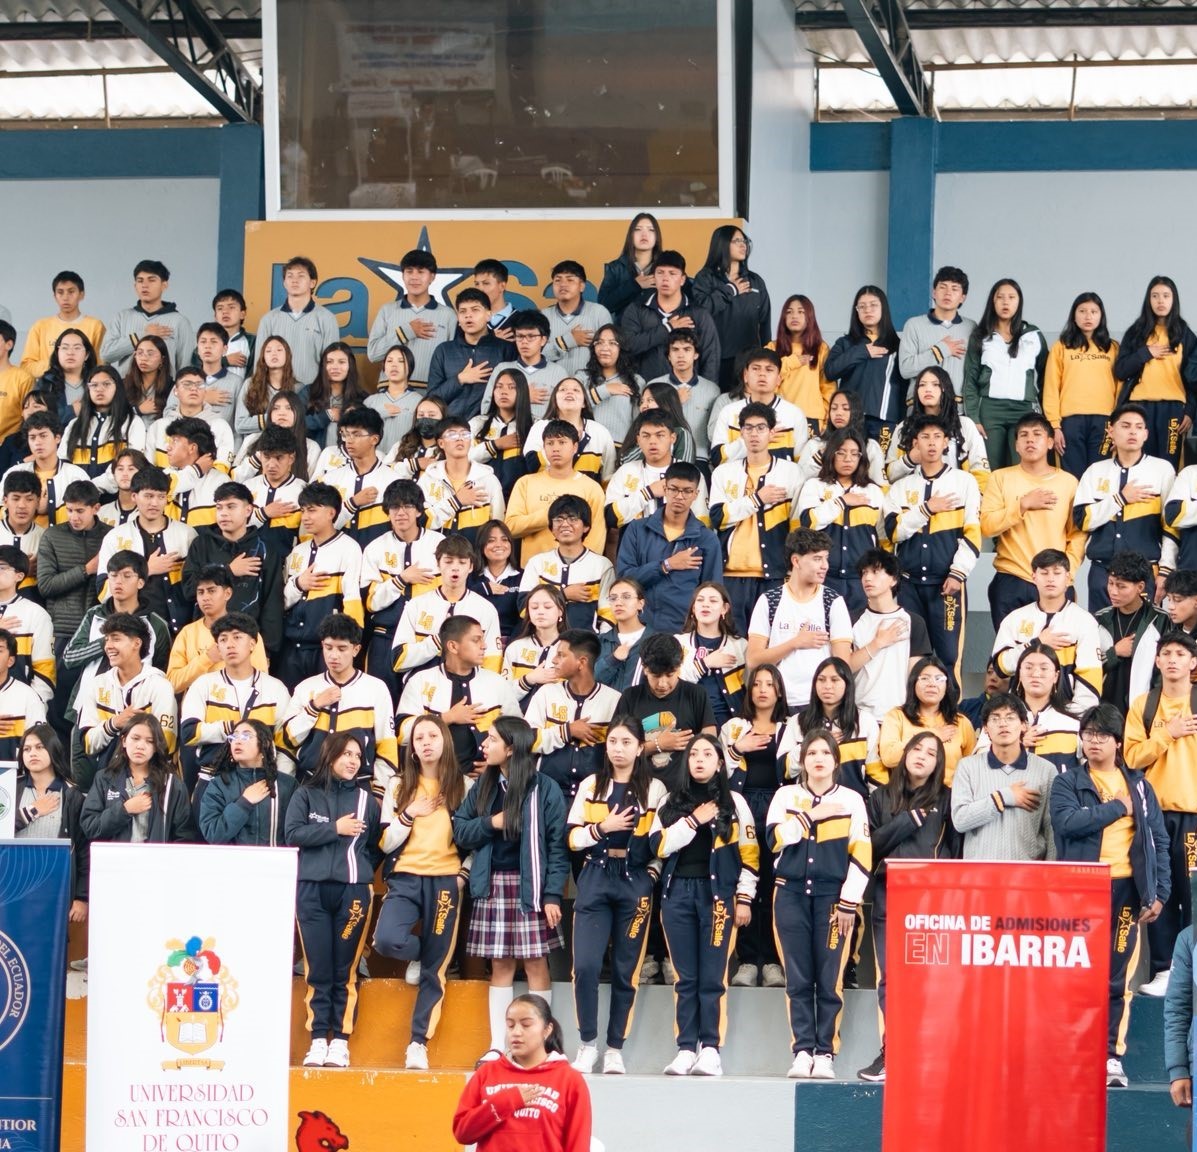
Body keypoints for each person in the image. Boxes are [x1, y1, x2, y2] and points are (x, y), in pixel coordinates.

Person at [1052, 701, 1168, 1087]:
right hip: (1080, 889)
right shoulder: (1068, 782)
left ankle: (1110, 1057)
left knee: (1116, 978)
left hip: (1125, 892)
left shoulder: (1140, 785)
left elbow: (1158, 841)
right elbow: (1068, 824)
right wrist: (1118, 807)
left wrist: (1160, 892)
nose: (1094, 742)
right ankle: (1073, 1053)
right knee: (1075, 976)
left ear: (1118, 742)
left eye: (1102, 735)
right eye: (1088, 735)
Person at [452, 716, 568, 1060]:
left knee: (535, 963)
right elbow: (461, 830)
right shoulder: (484, 786)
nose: (484, 745)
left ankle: (545, 1046)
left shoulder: (543, 787)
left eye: (492, 739)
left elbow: (557, 846)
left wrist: (552, 894)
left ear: (512, 748)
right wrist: (492, 822)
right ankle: (498, 1046)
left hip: (531, 887)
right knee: (500, 965)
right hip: (493, 884)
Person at [567, 714, 668, 1075]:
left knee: (627, 970)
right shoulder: (591, 785)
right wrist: (601, 828)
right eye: (612, 741)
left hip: (634, 880)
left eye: (626, 742)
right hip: (596, 875)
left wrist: (651, 876)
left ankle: (614, 1048)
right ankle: (587, 1044)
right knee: (586, 966)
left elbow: (662, 843)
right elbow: (572, 838)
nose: (618, 749)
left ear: (640, 748)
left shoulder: (654, 789)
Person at [652, 733, 758, 1077]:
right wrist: (693, 820)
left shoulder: (735, 802)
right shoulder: (669, 800)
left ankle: (710, 1048)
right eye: (694, 754)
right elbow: (658, 845)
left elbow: (750, 855)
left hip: (718, 898)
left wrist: (744, 898)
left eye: (707, 754)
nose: (699, 759)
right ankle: (686, 1048)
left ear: (720, 763)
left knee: (712, 976)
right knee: (685, 977)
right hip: (677, 895)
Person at [768, 731, 870, 1080]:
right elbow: (774, 840)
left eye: (826, 752)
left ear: (836, 761)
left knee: (829, 978)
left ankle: (825, 1052)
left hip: (832, 899)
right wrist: (811, 815)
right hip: (790, 894)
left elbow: (862, 853)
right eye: (811, 753)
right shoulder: (785, 796)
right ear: (803, 760)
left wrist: (848, 902)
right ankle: (802, 1050)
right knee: (797, 978)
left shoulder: (852, 800)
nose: (819, 758)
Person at [859, 730, 959, 1083]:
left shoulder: (947, 799)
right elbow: (869, 849)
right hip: (889, 896)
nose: (922, 756)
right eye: (917, 748)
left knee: (930, 980)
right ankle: (893, 1053)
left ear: (938, 764)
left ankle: (930, 1054)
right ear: (905, 754)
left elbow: (956, 852)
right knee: (892, 979)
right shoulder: (880, 797)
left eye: (931, 753)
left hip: (932, 902)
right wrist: (905, 822)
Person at [373, 714, 470, 1071]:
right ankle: (424, 954)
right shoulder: (399, 785)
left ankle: (418, 1043)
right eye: (419, 738)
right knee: (387, 940)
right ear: (411, 749)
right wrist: (409, 814)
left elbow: (476, 839)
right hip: (406, 877)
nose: (426, 743)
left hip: (446, 881)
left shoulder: (463, 786)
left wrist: (463, 875)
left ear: (445, 741)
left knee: (434, 972)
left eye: (433, 736)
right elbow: (384, 842)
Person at [285, 731, 382, 1069]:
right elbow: (292, 835)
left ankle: (340, 1040)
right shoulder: (305, 794)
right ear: (330, 756)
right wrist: (334, 829)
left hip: (353, 892)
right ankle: (317, 1040)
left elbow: (373, 848)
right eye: (346, 754)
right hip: (310, 890)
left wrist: (359, 871)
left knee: (345, 968)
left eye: (357, 755)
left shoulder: (366, 800)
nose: (353, 761)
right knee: (318, 968)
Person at [881, 414, 981, 692]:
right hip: (909, 585)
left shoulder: (964, 482)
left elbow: (972, 533)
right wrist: (926, 509)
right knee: (911, 656)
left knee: (949, 656)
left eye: (938, 437)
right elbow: (893, 532)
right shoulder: (901, 487)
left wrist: (957, 574)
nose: (932, 443)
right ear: (915, 443)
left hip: (945, 584)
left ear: (947, 442)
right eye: (925, 437)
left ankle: (951, 713)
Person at [1124, 632, 1197, 998]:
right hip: (1154, 816)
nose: (1172, 659)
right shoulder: (1145, 704)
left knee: (1192, 893)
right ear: (1156, 661)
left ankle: (1192, 968)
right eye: (1166, 653)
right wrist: (1167, 733)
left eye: (1180, 654)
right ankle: (1165, 970)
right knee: (1159, 893)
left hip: (1193, 815)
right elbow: (1131, 757)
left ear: (1193, 662)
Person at [721, 663, 795, 989]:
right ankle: (748, 960)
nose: (763, 689)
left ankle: (774, 961)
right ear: (749, 691)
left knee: (773, 884)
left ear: (779, 691)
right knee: (744, 882)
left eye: (769, 684)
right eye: (757, 684)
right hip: (743, 806)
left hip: (780, 809)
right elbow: (717, 769)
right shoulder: (734, 727)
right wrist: (738, 748)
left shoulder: (792, 727)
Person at [980, 412, 1086, 626]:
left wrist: (1067, 571)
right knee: (1010, 646)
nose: (1030, 440)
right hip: (1011, 578)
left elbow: (1077, 533)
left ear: (1050, 442)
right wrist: (1022, 505)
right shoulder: (1000, 478)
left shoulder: (1068, 482)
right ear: (1016, 445)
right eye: (1024, 435)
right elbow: (987, 526)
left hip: (1055, 581)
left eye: (1037, 434)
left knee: (1056, 646)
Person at [452, 993, 592, 1152]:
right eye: (510, 1025)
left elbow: (578, 1144)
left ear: (547, 1030)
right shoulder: (486, 1073)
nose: (516, 1032)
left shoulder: (570, 1080)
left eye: (526, 1025)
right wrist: (507, 1101)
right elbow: (462, 1133)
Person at [710, 401, 805, 631]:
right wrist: (757, 499)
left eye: (761, 428)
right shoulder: (724, 472)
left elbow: (797, 527)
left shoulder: (791, 472)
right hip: (730, 574)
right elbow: (717, 517)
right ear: (741, 432)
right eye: (748, 428)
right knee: (732, 640)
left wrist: (793, 569)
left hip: (774, 574)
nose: (754, 434)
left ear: (772, 433)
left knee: (772, 638)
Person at [1074, 402, 1176, 613]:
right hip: (1102, 570)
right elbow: (1082, 520)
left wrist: (1166, 570)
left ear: (1146, 434)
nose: (1133, 432)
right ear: (1111, 431)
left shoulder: (1162, 469)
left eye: (1139, 427)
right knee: (1101, 629)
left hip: (1145, 571)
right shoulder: (1095, 471)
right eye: (1126, 426)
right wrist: (1120, 498)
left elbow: (1171, 526)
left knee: (1143, 632)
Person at [280, 613, 398, 790]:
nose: (334, 655)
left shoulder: (376, 688)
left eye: (342, 649)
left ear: (356, 650)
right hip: (311, 783)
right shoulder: (305, 687)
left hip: (358, 785)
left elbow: (387, 746)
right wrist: (314, 707)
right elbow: (287, 741)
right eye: (328, 648)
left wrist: (380, 791)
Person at [180, 612, 292, 793]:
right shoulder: (203, 684)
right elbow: (189, 732)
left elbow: (285, 742)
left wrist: (279, 783)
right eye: (223, 639)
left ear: (253, 644)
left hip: (261, 782)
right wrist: (231, 728)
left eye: (237, 637)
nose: (230, 644)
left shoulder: (275, 688)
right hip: (212, 779)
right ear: (218, 647)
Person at [745, 527, 853, 713]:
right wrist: (795, 643)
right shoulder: (769, 601)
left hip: (819, 704)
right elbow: (753, 660)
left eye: (826, 558)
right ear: (796, 561)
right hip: (778, 701)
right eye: (817, 559)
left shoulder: (833, 601)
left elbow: (842, 665)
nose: (825, 566)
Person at [396, 615, 521, 774]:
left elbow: (519, 733)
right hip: (434, 780)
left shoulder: (497, 682)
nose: (484, 646)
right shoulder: (420, 681)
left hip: (486, 783)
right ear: (453, 646)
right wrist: (446, 717)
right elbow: (402, 734)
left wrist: (497, 765)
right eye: (476, 640)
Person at [990, 548, 1101, 714]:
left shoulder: (1084, 621)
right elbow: (1000, 668)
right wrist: (1036, 643)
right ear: (1034, 577)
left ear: (1068, 578)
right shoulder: (1015, 618)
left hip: (1067, 715)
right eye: (1044, 573)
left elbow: (1090, 678)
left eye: (1057, 573)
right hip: (1021, 715)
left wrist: (1076, 717)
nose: (1050, 579)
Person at [616, 462, 722, 635]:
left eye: (687, 491)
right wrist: (666, 565)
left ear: (696, 494)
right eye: (674, 489)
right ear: (664, 489)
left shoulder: (706, 539)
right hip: (638, 628)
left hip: (683, 631)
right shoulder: (637, 529)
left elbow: (713, 592)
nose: (679, 496)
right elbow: (623, 580)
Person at [359, 479, 444, 695]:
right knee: (381, 698)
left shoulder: (439, 544)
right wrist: (401, 579)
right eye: (395, 507)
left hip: (426, 637)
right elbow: (371, 602)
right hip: (385, 636)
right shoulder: (374, 548)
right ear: (387, 512)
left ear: (419, 510)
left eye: (407, 506)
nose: (401, 513)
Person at [73, 612, 177, 788]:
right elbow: (87, 743)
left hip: (151, 780)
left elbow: (166, 742)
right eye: (107, 639)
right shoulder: (97, 684)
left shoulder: (160, 685)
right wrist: (114, 723)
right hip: (106, 780)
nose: (108, 646)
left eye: (116, 639)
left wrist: (132, 732)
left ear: (137, 643)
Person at [278, 482, 364, 690]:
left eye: (312, 510)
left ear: (331, 513)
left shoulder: (349, 548)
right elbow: (281, 602)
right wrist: (299, 584)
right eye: (303, 511)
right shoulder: (297, 551)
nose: (305, 517)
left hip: (325, 648)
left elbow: (352, 598)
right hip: (291, 647)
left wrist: (349, 641)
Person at [950, 693, 1056, 861]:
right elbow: (960, 821)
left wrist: (1051, 871)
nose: (1003, 724)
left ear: (1024, 725)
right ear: (985, 728)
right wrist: (1003, 797)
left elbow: (1051, 829)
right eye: (995, 718)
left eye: (1010, 717)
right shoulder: (967, 767)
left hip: (1029, 870)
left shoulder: (1046, 770)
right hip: (980, 871)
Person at [36, 478, 105, 733]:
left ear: (96, 508)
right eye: (69, 510)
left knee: (95, 704)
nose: (74, 517)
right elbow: (46, 586)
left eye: (80, 511)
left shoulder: (110, 535)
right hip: (63, 631)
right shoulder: (52, 536)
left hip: (98, 632)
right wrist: (87, 569)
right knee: (60, 704)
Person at [524, 629, 621, 808]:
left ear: (581, 662)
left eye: (561, 655)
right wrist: (566, 731)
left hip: (594, 797)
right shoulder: (546, 693)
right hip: (548, 794)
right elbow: (525, 740)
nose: (554, 660)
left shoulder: (614, 700)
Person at [95, 465, 195, 636]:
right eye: (148, 496)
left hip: (180, 630)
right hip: (131, 631)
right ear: (134, 496)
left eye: (161, 496)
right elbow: (103, 592)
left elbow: (196, 586)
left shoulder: (187, 534)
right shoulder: (115, 537)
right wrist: (147, 569)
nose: (154, 503)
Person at [961, 278, 1049, 472]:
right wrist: (974, 418)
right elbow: (971, 380)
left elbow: (1047, 377)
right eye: (1000, 297)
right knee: (990, 467)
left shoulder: (1033, 335)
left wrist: (1045, 414)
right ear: (993, 301)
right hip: (990, 411)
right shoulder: (981, 335)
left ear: (1019, 302)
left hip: (1024, 410)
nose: (1005, 302)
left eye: (1011, 297)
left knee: (1022, 467)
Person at [183, 481, 282, 650]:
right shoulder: (201, 544)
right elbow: (188, 590)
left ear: (248, 510)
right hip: (205, 641)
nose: (223, 513)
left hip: (249, 641)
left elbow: (272, 602)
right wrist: (228, 571)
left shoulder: (265, 549)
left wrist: (267, 649)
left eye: (231, 507)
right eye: (219, 507)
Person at [797, 427, 883, 618]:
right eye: (841, 453)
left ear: (861, 458)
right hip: (823, 577)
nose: (848, 459)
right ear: (831, 454)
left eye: (854, 454)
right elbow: (809, 523)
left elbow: (883, 538)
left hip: (860, 580)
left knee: (858, 631)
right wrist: (842, 501)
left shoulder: (873, 491)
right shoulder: (815, 486)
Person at [616, 633, 717, 794]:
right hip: (638, 791)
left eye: (670, 675)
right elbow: (616, 750)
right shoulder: (630, 697)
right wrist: (658, 745)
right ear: (645, 668)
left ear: (680, 667)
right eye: (655, 676)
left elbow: (710, 745)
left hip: (685, 792)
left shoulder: (696, 694)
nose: (662, 684)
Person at [392, 533, 503, 679]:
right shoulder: (417, 605)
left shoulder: (485, 609)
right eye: (448, 562)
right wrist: (437, 641)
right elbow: (398, 660)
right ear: (438, 565)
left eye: (462, 562)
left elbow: (492, 664)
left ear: (471, 567)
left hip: (469, 689)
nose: (455, 568)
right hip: (424, 687)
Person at [1114, 276, 1197, 469]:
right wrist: (1145, 353)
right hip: (1139, 407)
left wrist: (1190, 411)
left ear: (1174, 300)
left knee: (1169, 465)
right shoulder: (1136, 332)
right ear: (1148, 299)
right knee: (1140, 463)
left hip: (1173, 409)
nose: (1160, 301)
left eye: (1166, 296)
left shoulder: (1185, 334)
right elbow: (1121, 370)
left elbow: (1193, 378)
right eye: (1155, 296)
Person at [14, 723, 89, 924]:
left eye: (40, 747)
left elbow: (83, 851)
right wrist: (32, 811)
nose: (32, 753)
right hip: (14, 883)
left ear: (53, 748)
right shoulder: (10, 788)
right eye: (27, 749)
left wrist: (82, 897)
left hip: (54, 888)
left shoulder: (72, 795)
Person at [80, 712, 192, 846]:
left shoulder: (172, 785)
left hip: (154, 859)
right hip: (114, 859)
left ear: (156, 747)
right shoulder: (104, 778)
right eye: (135, 738)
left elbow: (185, 837)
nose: (140, 746)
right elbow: (90, 827)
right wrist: (124, 810)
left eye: (149, 741)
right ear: (124, 741)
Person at [847, 548, 931, 725]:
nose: (868, 578)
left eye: (875, 572)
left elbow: (916, 675)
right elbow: (844, 667)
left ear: (893, 579)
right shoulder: (852, 620)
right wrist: (878, 643)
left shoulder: (914, 622)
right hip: (859, 716)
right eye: (864, 573)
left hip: (900, 717)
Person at [504, 421, 605, 565]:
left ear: (575, 447)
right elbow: (511, 527)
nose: (556, 449)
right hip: (534, 571)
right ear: (543, 448)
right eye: (550, 443)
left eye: (562, 442)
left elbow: (596, 538)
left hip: (577, 571)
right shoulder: (525, 483)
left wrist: (581, 567)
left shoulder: (591, 488)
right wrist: (551, 514)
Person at [1044, 292, 1119, 479]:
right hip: (1070, 421)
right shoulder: (1061, 346)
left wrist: (1117, 424)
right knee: (1072, 476)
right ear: (1074, 315)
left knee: (1100, 475)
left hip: (1105, 421)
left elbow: (1121, 388)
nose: (1088, 316)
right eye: (1082, 311)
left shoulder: (1113, 347)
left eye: (1094, 311)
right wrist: (1055, 426)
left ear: (1101, 316)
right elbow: (1051, 386)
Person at [787, 656, 882, 805]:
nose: (827, 686)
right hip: (807, 807)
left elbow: (878, 775)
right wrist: (813, 743)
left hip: (852, 807)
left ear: (847, 684)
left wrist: (871, 811)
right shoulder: (797, 722)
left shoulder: (865, 722)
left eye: (835, 680)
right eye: (821, 680)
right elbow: (784, 770)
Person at [824, 285, 905, 453]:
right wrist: (863, 351)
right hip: (850, 418)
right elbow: (831, 371)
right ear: (856, 311)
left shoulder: (898, 345)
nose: (868, 310)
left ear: (883, 308)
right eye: (862, 306)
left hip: (884, 419)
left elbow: (904, 385)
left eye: (873, 305)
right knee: (849, 461)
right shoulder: (845, 343)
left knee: (881, 463)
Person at [692, 225, 772, 392]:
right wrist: (731, 290)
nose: (743, 245)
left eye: (744, 241)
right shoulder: (705, 278)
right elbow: (701, 311)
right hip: (715, 360)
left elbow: (764, 322)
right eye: (736, 241)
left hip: (749, 360)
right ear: (722, 244)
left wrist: (765, 358)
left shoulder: (756, 281)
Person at [621, 250, 720, 384]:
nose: (665, 278)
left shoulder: (699, 314)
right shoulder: (636, 309)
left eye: (672, 273)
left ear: (682, 279)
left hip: (688, 389)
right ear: (653, 277)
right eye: (660, 273)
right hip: (646, 388)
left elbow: (711, 357)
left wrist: (706, 389)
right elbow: (627, 346)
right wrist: (667, 328)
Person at [166, 568, 270, 695]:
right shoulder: (187, 633)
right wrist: (207, 658)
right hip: (197, 706)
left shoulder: (247, 633)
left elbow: (262, 682)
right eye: (201, 592)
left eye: (212, 591)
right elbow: (172, 684)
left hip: (238, 705)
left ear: (227, 593)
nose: (205, 597)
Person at [196, 718, 297, 847]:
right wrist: (244, 803)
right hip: (234, 860)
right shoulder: (219, 785)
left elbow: (296, 834)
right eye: (234, 737)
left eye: (246, 736)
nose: (237, 741)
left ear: (265, 743)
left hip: (275, 859)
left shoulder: (288, 785)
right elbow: (212, 834)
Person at [885, 365, 989, 491]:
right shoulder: (904, 427)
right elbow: (888, 476)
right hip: (914, 498)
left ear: (945, 388)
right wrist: (910, 460)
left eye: (935, 384)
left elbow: (982, 472)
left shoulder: (965, 425)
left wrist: (974, 499)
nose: (928, 389)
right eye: (922, 385)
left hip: (956, 498)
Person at [520, 496, 613, 633]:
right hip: (543, 639)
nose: (565, 524)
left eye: (573, 519)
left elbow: (608, 613)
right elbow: (523, 608)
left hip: (585, 642)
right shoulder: (537, 563)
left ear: (586, 526)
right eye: (558, 519)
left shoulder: (602, 565)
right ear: (551, 528)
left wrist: (601, 642)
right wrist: (563, 595)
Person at [879, 655, 976, 785]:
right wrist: (932, 736)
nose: (932, 684)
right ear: (913, 683)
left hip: (950, 794)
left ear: (947, 685)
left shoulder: (961, 722)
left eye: (939, 679)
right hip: (907, 794)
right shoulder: (897, 716)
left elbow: (972, 767)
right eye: (925, 678)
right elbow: (889, 758)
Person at [1096, 550, 1171, 716]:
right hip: (1105, 710)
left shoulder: (1160, 620)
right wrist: (1114, 652)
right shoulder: (1099, 619)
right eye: (1110, 583)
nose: (1113, 591)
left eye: (1121, 586)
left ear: (1140, 587)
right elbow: (1088, 666)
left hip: (1144, 710)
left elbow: (1166, 670)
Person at [709, 348, 810, 469]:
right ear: (745, 376)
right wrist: (749, 440)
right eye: (756, 369)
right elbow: (717, 459)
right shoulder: (729, 412)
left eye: (769, 369)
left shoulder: (794, 414)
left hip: (781, 480)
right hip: (737, 480)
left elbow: (801, 465)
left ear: (779, 379)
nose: (762, 374)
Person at [366, 248, 454, 386]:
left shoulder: (448, 315)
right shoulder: (387, 310)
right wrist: (406, 332)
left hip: (431, 393)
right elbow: (373, 355)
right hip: (391, 392)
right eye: (409, 271)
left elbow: (452, 361)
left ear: (432, 277)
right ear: (403, 275)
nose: (414, 277)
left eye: (421, 272)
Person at [605, 409, 700, 531]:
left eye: (660, 435)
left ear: (672, 438)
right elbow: (610, 517)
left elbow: (702, 521)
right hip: (634, 541)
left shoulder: (690, 473)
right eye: (646, 436)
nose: (653, 441)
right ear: (638, 440)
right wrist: (647, 493)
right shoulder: (625, 471)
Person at [252, 257, 339, 389]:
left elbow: (332, 363)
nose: (294, 280)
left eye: (301, 276)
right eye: (290, 276)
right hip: (275, 393)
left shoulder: (326, 318)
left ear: (312, 283)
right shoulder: (269, 320)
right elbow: (259, 364)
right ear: (284, 283)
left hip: (312, 393)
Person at [427, 288, 513, 421]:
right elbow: (431, 400)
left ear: (488, 315)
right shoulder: (444, 350)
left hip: (491, 426)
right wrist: (460, 379)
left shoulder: (505, 349)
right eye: (463, 311)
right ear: (458, 318)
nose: (468, 315)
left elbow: (514, 393)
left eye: (475, 310)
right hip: (451, 427)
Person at [100, 259, 195, 375]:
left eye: (151, 280)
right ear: (135, 286)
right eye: (140, 281)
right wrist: (143, 335)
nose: (145, 285)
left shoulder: (179, 321)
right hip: (126, 385)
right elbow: (106, 354)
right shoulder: (122, 317)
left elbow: (185, 368)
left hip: (165, 386)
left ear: (164, 285)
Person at [897, 265, 975, 402]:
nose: (948, 293)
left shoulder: (971, 327)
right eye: (942, 287)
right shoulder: (914, 325)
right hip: (920, 407)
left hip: (957, 408)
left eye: (954, 289)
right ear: (934, 292)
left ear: (963, 297)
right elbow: (906, 369)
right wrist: (940, 350)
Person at [62, 366, 148, 489]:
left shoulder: (132, 422)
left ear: (117, 387)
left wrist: (91, 489)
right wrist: (79, 492)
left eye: (106, 384)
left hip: (116, 495)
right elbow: (63, 464)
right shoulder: (74, 425)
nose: (99, 389)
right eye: (94, 385)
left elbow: (133, 465)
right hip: (76, 496)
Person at [677, 582, 747, 729]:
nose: (706, 605)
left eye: (713, 601)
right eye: (700, 600)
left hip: (730, 723)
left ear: (724, 608)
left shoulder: (740, 646)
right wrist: (705, 663)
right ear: (693, 608)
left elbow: (750, 687)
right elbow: (672, 684)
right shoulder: (679, 642)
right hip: (688, 719)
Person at [644, 329, 719, 464]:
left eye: (687, 349)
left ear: (696, 354)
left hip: (699, 458)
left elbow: (714, 432)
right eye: (675, 350)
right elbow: (646, 423)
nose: (680, 355)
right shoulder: (654, 386)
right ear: (668, 355)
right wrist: (675, 402)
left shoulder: (712, 389)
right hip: (662, 457)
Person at [522, 379, 616, 486]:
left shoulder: (599, 431)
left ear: (584, 402)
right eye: (563, 389)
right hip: (546, 494)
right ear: (554, 400)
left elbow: (608, 477)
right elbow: (530, 466)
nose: (569, 392)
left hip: (587, 495)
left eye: (576, 390)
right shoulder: (540, 427)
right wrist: (559, 443)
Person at [1007, 642, 1082, 773]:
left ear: (1056, 676)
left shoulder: (1075, 719)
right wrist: (1016, 745)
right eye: (1028, 667)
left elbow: (1091, 769)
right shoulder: (999, 715)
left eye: (1044, 668)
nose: (1036, 674)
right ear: (1019, 673)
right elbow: (981, 763)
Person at [480, 311, 568, 421]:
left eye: (531, 336)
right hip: (507, 430)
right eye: (520, 336)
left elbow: (566, 411)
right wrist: (523, 397)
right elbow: (486, 408)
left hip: (546, 431)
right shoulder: (502, 369)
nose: (524, 342)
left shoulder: (558, 372)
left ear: (543, 340)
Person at [19, 271, 105, 379]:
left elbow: (101, 365)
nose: (65, 297)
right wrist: (56, 364)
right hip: (49, 387)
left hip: (84, 386)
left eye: (71, 292)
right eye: (60, 292)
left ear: (81, 295)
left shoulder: (95, 326)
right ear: (54, 296)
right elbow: (26, 366)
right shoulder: (40, 326)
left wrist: (75, 368)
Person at [150, 367, 236, 475]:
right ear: (175, 391)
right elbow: (147, 469)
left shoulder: (220, 426)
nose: (194, 389)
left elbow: (220, 472)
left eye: (199, 385)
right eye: (187, 384)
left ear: (205, 391)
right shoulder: (159, 426)